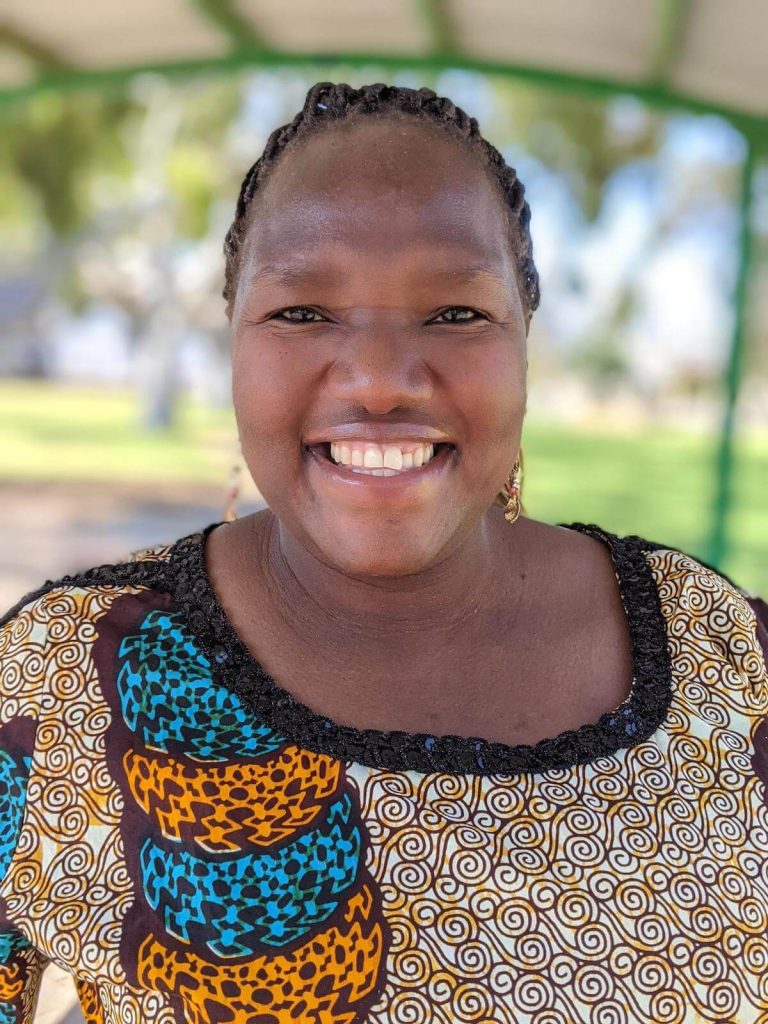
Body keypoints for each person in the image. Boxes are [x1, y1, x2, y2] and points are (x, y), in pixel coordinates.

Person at [1, 81, 767, 1024]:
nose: (378, 381)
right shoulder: (63, 680)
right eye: (302, 312)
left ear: (526, 335)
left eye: (455, 314)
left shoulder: (727, 656)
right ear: (232, 336)